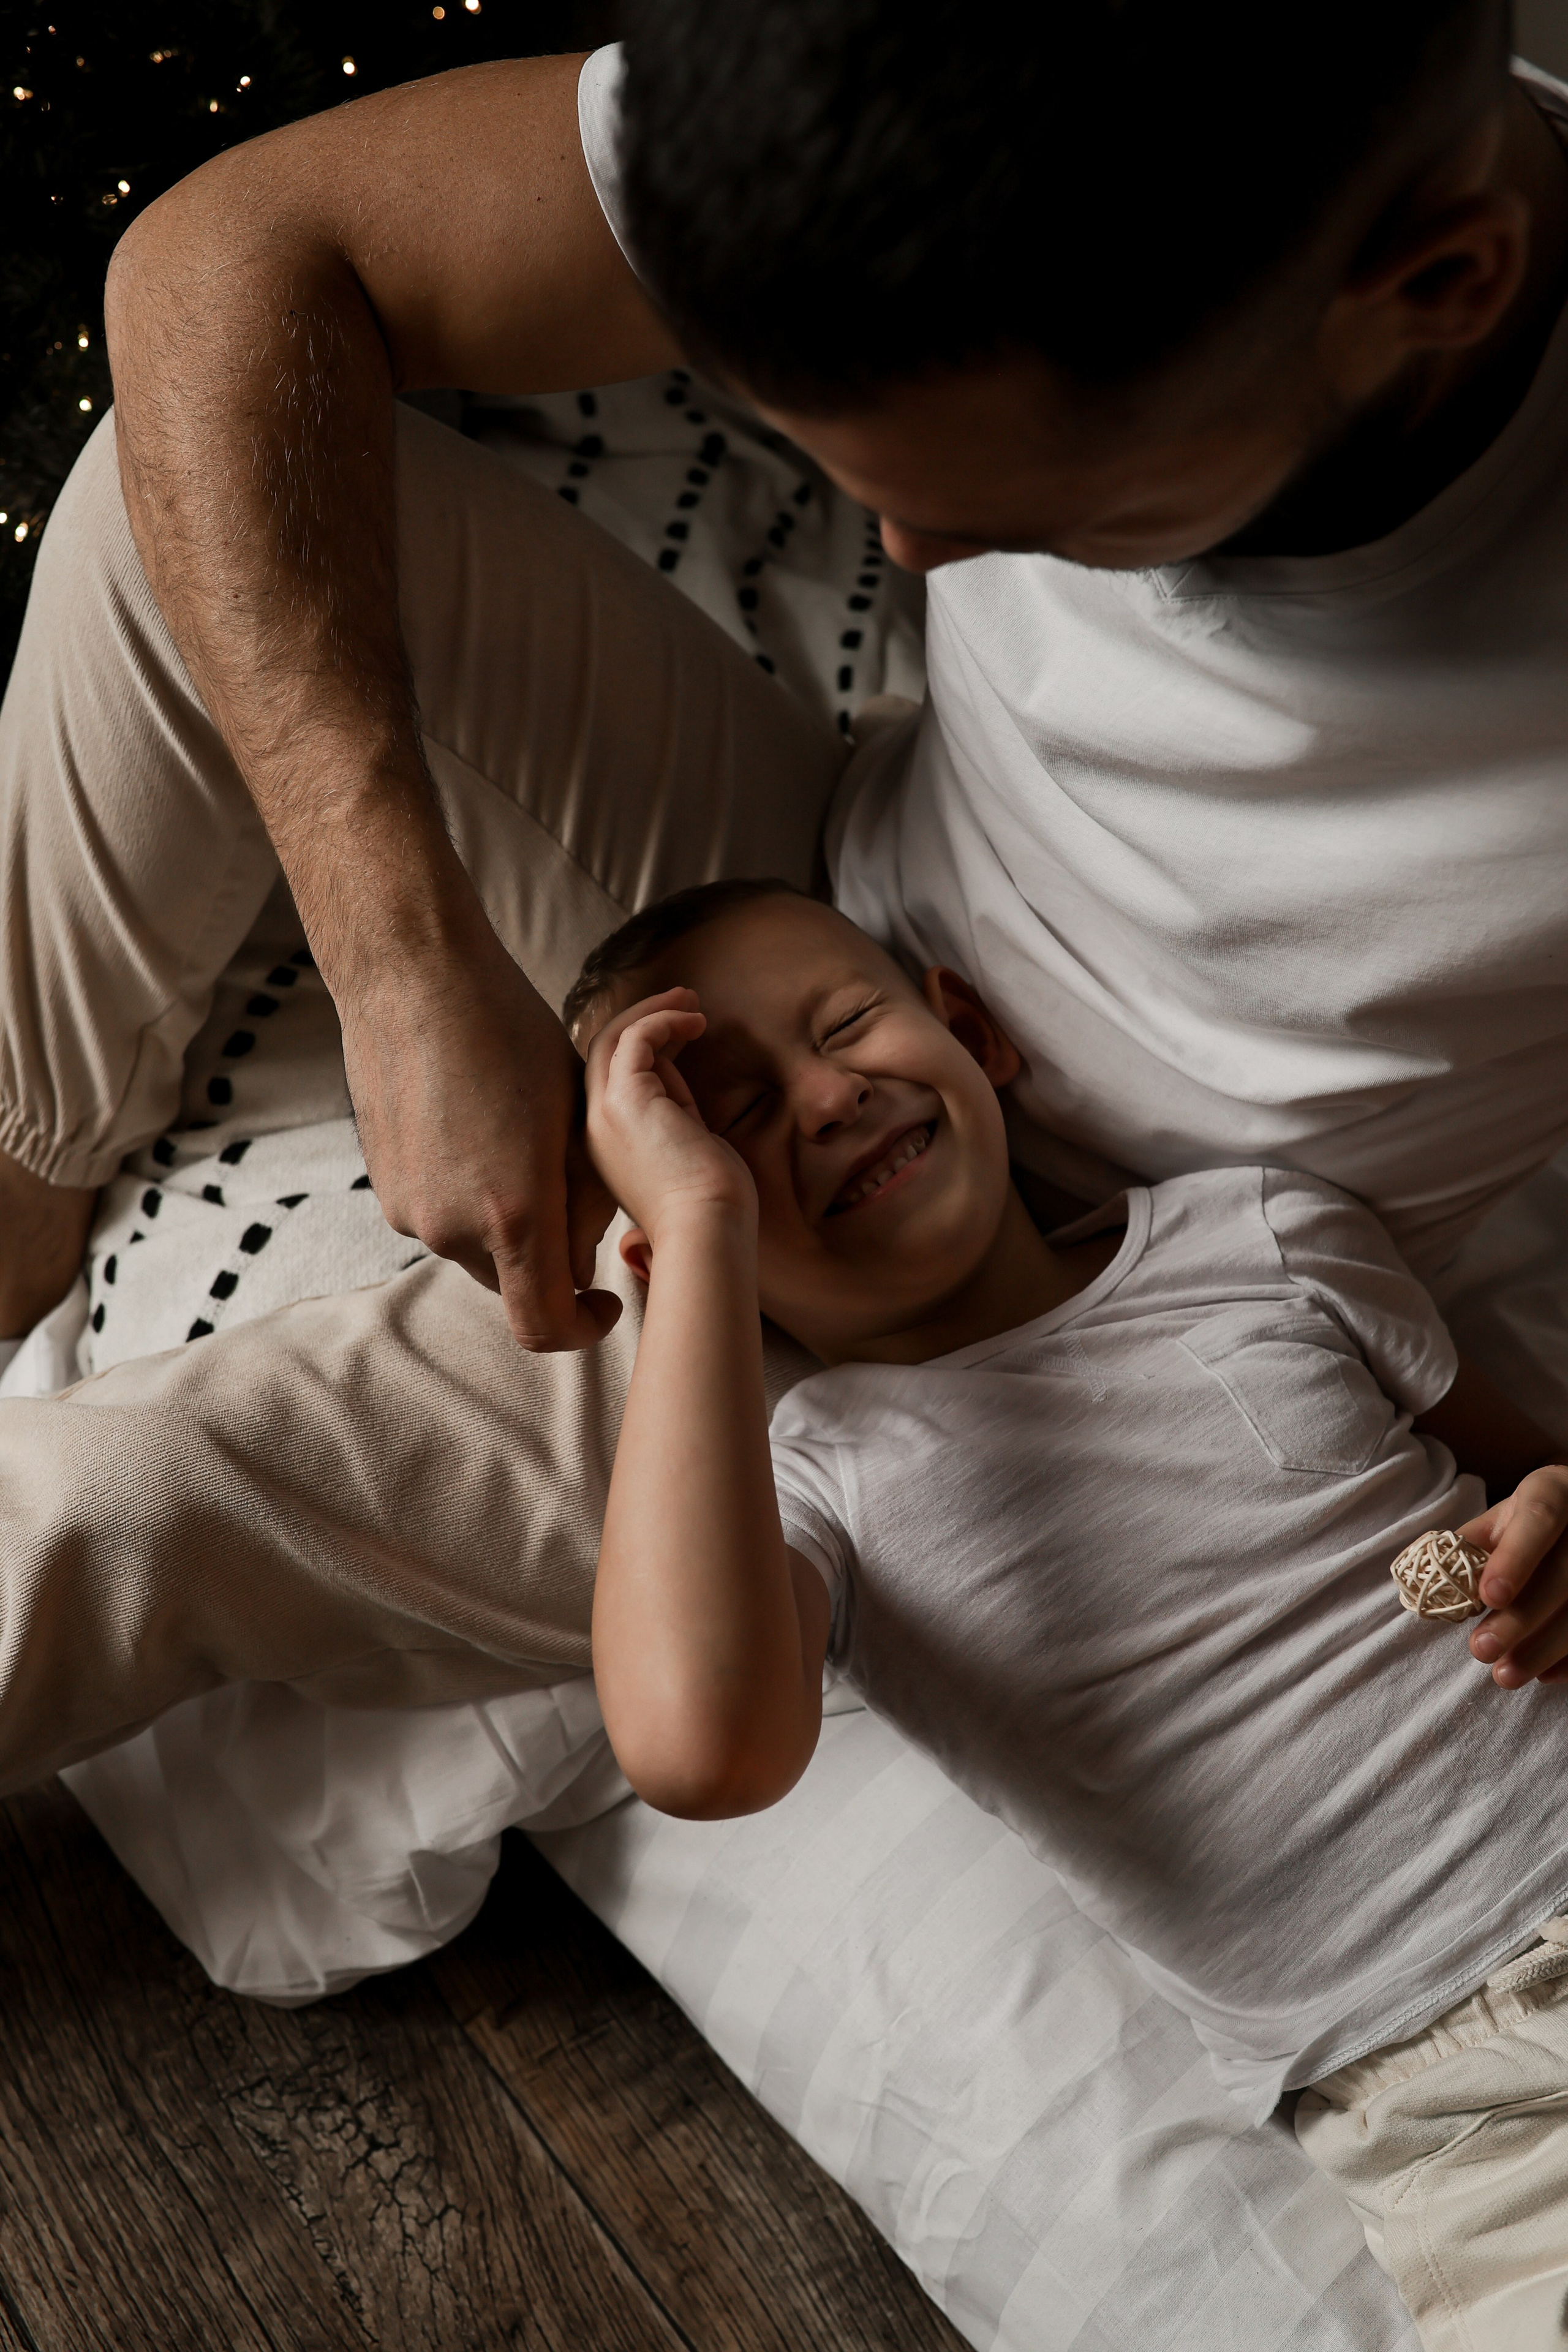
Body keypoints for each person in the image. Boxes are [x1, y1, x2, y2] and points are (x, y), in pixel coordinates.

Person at [2, 0, 1568, 1781]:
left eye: (1025, 502)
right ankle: (26, 1162)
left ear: (1440, 282)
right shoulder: (928, 85)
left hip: (1063, 1288)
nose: (907, 554)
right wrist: (396, 943)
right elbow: (231, 255)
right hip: (809, 902)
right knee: (175, 502)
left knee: (117, 1502)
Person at [578, 876, 1568, 2351]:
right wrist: (700, 1231)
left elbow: (1521, 1478)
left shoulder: (1257, 1236)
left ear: (969, 1030)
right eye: (728, 1123)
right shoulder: (815, 1484)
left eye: (845, 1024)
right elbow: (696, 1744)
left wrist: (1549, 1515)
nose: (828, 1096)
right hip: (1448, 2096)